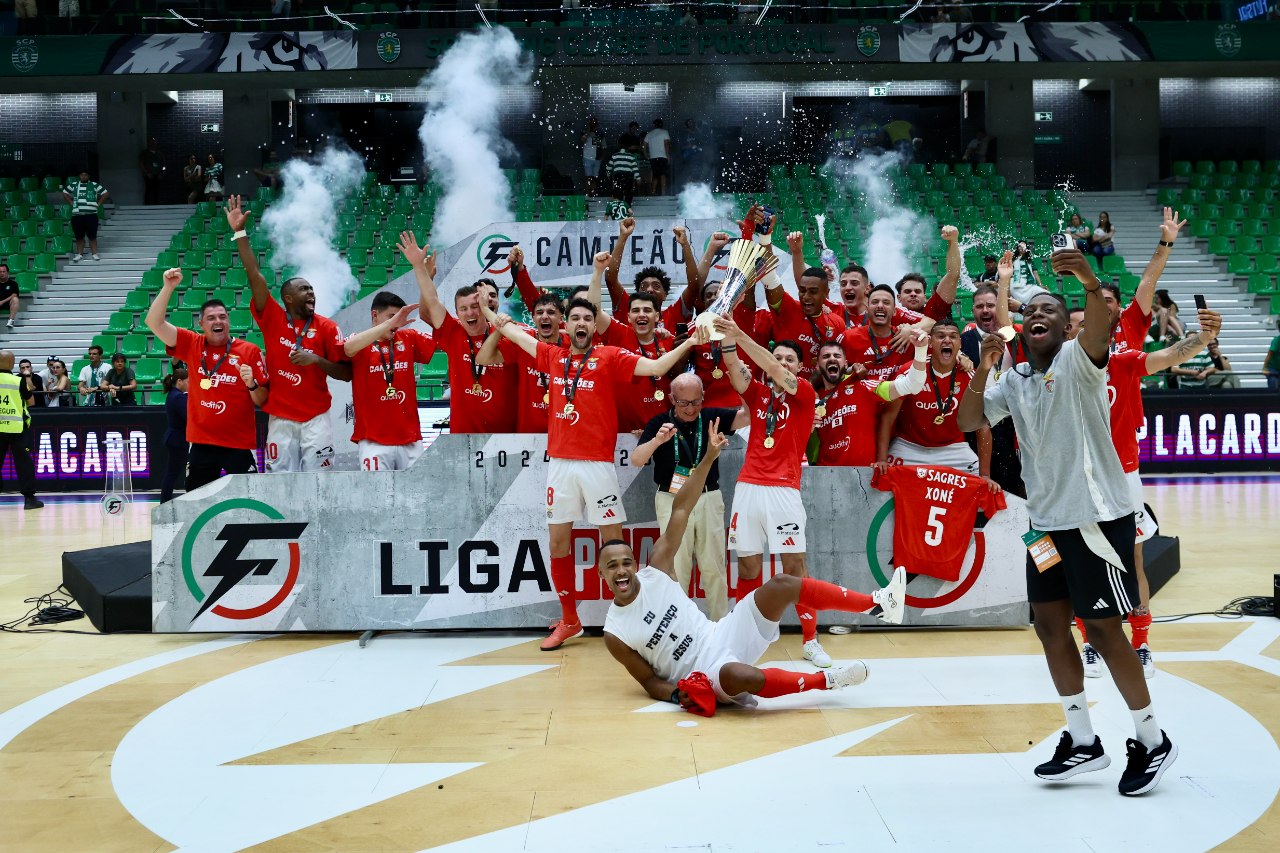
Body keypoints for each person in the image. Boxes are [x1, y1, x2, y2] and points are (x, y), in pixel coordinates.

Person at [957, 247, 1177, 797]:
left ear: (1064, 323)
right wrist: (983, 370)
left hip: (1097, 518)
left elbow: (1101, 323)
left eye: (1050, 308)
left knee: (1101, 629)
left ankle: (1152, 740)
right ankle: (1082, 740)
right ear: (1021, 329)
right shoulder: (1016, 380)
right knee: (1050, 627)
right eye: (1031, 309)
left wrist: (1086, 278)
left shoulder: (1082, 359)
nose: (1038, 313)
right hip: (1046, 524)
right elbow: (968, 419)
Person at [479, 251, 707, 651]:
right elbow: (511, 331)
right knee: (557, 544)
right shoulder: (552, 355)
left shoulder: (611, 356)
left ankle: (632, 619)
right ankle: (570, 620)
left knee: (614, 546)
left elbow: (656, 370)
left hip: (598, 467)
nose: (581, 323)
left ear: (593, 326)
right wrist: (489, 310)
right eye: (575, 318)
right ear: (565, 326)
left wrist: (689, 340)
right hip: (561, 466)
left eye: (588, 318)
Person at [602, 422, 909, 712]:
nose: (621, 571)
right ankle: (829, 681)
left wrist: (709, 457)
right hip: (705, 672)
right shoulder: (614, 632)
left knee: (783, 584)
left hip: (722, 634)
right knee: (739, 675)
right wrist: (674, 694)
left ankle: (877, 604)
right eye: (612, 566)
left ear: (635, 563)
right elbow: (649, 681)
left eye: (626, 562)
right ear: (601, 573)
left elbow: (682, 506)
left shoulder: (656, 568)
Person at [1068, 304, 1223, 680]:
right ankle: (1091, 642)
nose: (1077, 333)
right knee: (1082, 562)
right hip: (1075, 478)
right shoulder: (1056, 368)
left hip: (1122, 476)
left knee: (1133, 560)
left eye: (1083, 325)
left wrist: (1202, 338)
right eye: (1070, 327)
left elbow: (1171, 355)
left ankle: (1141, 643)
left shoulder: (1122, 361)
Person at [714, 305, 834, 666]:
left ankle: (811, 640)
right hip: (749, 487)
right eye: (777, 356)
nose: (781, 363)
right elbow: (736, 371)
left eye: (788, 359)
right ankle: (742, 641)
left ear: (799, 368)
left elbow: (770, 368)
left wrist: (740, 334)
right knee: (748, 568)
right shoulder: (758, 395)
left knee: (794, 568)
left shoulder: (805, 396)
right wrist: (726, 341)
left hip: (783, 490)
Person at [227, 195, 351, 473]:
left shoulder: (327, 327)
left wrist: (316, 360)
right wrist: (239, 233)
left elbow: (346, 373)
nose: (311, 292)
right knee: (278, 481)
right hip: (280, 418)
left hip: (317, 418)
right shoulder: (272, 317)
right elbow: (254, 275)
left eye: (312, 289)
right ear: (288, 298)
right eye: (304, 289)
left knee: (320, 482)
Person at [630, 373, 749, 621]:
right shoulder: (660, 422)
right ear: (672, 399)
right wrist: (657, 441)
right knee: (676, 569)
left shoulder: (711, 417)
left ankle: (719, 627)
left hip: (708, 497)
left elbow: (747, 417)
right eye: (683, 403)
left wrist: (744, 387)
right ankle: (680, 627)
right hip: (671, 499)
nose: (690, 408)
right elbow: (637, 459)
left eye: (695, 401)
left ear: (703, 397)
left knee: (714, 566)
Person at [146, 268, 269, 491]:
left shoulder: (249, 351)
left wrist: (251, 384)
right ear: (201, 324)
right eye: (211, 318)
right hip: (202, 445)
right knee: (196, 506)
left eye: (223, 316)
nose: (218, 321)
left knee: (252, 502)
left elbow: (262, 400)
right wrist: (168, 288)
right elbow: (155, 324)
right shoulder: (192, 344)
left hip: (239, 444)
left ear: (229, 321)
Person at [401, 232, 517, 433]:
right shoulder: (453, 331)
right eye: (463, 309)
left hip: (506, 436)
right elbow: (431, 302)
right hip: (463, 436)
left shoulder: (507, 333)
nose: (470, 313)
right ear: (456, 312)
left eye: (474, 307)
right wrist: (419, 268)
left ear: (483, 306)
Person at [879, 320, 998, 485]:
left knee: (981, 488)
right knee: (883, 481)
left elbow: (982, 427)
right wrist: (881, 459)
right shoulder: (909, 371)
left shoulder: (970, 377)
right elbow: (888, 416)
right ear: (930, 342)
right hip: (909, 446)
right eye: (940, 336)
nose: (947, 340)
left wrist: (985, 475)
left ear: (960, 343)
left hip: (953, 449)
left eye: (953, 336)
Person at [341, 292, 435, 471]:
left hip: (411, 441)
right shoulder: (360, 341)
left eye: (400, 317)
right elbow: (347, 348)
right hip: (373, 442)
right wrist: (389, 324)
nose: (397, 323)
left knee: (417, 496)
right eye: (392, 317)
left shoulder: (409, 338)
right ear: (374, 315)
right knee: (376, 496)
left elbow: (439, 335)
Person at [810, 333, 930, 468]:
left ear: (845, 363)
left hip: (862, 476)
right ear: (817, 366)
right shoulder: (811, 399)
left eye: (837, 356)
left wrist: (921, 350)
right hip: (824, 474)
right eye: (826, 357)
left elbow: (912, 385)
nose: (832, 359)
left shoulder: (864, 386)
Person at [604, 219, 702, 336]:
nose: (649, 290)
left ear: (665, 295)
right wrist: (623, 236)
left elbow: (694, 285)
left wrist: (685, 244)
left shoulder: (674, 314)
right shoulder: (627, 310)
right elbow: (610, 279)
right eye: (644, 286)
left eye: (656, 286)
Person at [0, 350, 43, 509]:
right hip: (17, 428)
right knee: (24, 464)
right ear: (11, 363)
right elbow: (31, 402)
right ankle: (30, 500)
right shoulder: (17, 380)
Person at [63, 170, 109, 261]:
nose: (83, 177)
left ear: (88, 176)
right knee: (79, 236)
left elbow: (106, 193)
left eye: (85, 175)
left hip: (91, 214)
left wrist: (99, 203)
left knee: (92, 236)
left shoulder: (94, 185)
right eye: (82, 175)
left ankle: (94, 254)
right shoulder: (74, 184)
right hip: (77, 215)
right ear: (79, 176)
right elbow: (64, 193)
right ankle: (80, 254)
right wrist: (71, 202)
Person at [160, 367, 189, 503]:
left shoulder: (174, 394)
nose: (189, 384)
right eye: (187, 381)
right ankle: (164, 502)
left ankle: (164, 501)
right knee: (172, 474)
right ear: (179, 381)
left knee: (172, 472)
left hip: (174, 437)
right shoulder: (178, 397)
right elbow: (188, 417)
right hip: (177, 438)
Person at [606, 137, 640, 207]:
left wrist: (609, 174)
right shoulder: (631, 156)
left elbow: (608, 167)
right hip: (628, 176)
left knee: (618, 192)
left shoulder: (615, 156)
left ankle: (619, 206)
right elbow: (635, 168)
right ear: (628, 147)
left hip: (618, 176)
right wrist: (638, 178)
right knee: (628, 192)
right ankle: (627, 207)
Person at [645, 118, 672, 195]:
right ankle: (663, 193)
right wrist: (668, 156)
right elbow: (666, 144)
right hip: (662, 156)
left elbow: (643, 145)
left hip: (653, 157)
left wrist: (646, 155)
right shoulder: (664, 132)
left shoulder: (649, 134)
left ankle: (653, 191)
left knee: (655, 175)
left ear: (654, 125)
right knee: (662, 174)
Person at [581, 116, 603, 196]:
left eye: (595, 123)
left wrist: (601, 157)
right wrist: (588, 130)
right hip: (587, 157)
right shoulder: (585, 132)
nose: (593, 124)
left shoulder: (599, 133)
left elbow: (599, 146)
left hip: (596, 158)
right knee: (588, 177)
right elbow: (583, 140)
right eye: (592, 122)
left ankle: (593, 194)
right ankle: (587, 194)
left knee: (594, 177)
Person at [139, 137, 164, 205]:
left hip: (157, 175)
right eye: (150, 142)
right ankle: (147, 205)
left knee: (156, 191)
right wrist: (147, 173)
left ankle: (156, 205)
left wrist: (161, 173)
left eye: (153, 142)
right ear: (148, 143)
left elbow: (164, 165)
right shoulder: (145, 153)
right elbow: (141, 164)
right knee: (148, 190)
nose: (152, 143)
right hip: (149, 175)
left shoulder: (159, 153)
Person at [0, 262, 19, 329]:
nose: (2, 273)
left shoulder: (13, 283)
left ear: (7, 272)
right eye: (0, 272)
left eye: (3, 271)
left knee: (15, 299)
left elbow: (14, 294)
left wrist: (2, 301)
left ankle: (10, 321)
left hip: (7, 303)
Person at [1263, 320, 1280, 391]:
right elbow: (1269, 355)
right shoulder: (1276, 341)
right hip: (1273, 368)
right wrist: (1264, 368)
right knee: (1273, 382)